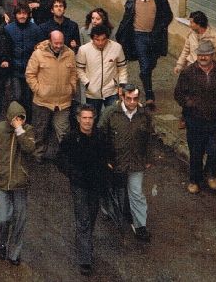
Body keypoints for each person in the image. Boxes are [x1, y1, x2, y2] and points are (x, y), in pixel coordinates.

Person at [174, 40, 216, 194]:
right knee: (196, 152)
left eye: (206, 55)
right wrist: (190, 104)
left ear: (212, 55)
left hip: (214, 120)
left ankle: (211, 174)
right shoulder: (188, 73)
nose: (203, 58)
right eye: (200, 55)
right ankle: (194, 180)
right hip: (195, 120)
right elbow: (178, 94)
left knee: (215, 152)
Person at [0, 101, 36, 267]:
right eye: (16, 118)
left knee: (20, 219)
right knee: (3, 218)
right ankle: (1, 243)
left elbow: (29, 149)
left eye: (21, 118)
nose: (18, 121)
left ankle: (14, 252)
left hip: (20, 183)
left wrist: (20, 131)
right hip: (1, 181)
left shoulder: (28, 131)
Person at [99, 84, 153, 242]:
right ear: (122, 97)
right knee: (113, 189)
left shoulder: (144, 115)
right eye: (128, 98)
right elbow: (102, 136)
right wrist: (106, 159)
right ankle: (109, 210)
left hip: (136, 162)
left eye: (135, 99)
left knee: (136, 192)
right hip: (116, 161)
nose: (131, 102)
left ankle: (140, 225)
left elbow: (149, 138)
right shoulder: (110, 113)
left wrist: (148, 158)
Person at [58, 105, 107, 277]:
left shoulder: (100, 137)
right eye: (84, 118)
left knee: (91, 216)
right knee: (83, 218)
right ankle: (85, 258)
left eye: (90, 118)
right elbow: (61, 158)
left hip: (95, 184)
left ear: (94, 119)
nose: (87, 121)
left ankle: (82, 239)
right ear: (78, 119)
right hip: (79, 184)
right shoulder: (71, 138)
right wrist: (72, 173)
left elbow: (107, 156)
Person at [115, 0, 174, 109]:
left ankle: (145, 76)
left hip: (154, 37)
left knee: (151, 63)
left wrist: (159, 28)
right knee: (145, 65)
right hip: (138, 36)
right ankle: (149, 96)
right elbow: (127, 18)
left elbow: (168, 16)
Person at [26, 30, 77, 161]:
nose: (59, 46)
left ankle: (64, 157)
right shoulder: (38, 54)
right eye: (56, 43)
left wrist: (71, 88)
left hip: (63, 102)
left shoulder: (70, 54)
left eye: (61, 43)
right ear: (49, 41)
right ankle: (38, 154)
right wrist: (38, 90)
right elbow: (30, 74)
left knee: (63, 131)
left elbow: (73, 73)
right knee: (40, 130)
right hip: (43, 101)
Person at [76, 25, 127, 117]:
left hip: (112, 91)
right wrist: (87, 83)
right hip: (92, 93)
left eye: (103, 39)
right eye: (97, 40)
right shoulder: (84, 50)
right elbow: (79, 69)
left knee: (112, 118)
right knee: (93, 119)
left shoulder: (117, 48)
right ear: (92, 38)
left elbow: (122, 68)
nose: (100, 43)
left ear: (107, 38)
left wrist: (122, 84)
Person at [5, 4, 44, 121]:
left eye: (24, 13)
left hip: (30, 70)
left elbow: (40, 46)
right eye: (19, 13)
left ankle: (28, 122)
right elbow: (6, 49)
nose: (22, 16)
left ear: (28, 15)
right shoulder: (8, 29)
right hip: (15, 70)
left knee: (28, 98)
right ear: (15, 15)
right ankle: (16, 120)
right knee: (17, 96)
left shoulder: (35, 29)